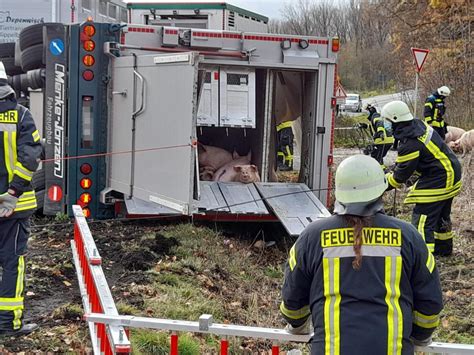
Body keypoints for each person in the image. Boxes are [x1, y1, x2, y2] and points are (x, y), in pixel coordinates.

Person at [280, 154, 443, 354]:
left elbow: (293, 301)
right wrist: (419, 336)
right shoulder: (409, 237)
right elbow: (430, 303)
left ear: (339, 192)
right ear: (381, 190)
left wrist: (297, 325)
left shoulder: (312, 237)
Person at [382, 100, 461, 256]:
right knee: (441, 216)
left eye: (387, 121)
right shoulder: (417, 126)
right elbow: (409, 163)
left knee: (422, 220)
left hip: (439, 178)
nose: (386, 125)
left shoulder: (410, 143)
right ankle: (443, 250)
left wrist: (381, 185)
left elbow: (400, 176)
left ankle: (422, 259)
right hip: (452, 171)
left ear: (396, 120)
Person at [0, 61, 42, 336]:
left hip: (13, 206)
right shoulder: (21, 115)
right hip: (14, 208)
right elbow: (29, 159)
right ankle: (7, 324)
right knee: (12, 262)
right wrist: (13, 193)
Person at [364, 103, 394, 169]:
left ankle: (381, 171)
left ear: (370, 111)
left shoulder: (375, 116)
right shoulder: (374, 117)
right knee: (378, 156)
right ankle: (380, 169)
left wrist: (380, 132)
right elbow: (373, 127)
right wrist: (364, 126)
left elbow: (379, 123)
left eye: (367, 111)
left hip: (382, 140)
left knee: (376, 156)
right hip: (387, 139)